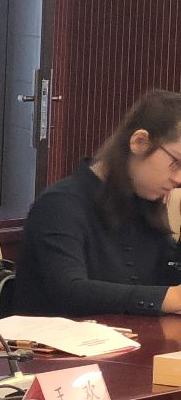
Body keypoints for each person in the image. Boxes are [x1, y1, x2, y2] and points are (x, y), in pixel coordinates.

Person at [17, 88, 181, 316]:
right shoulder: (59, 204)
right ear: (140, 142)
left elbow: (168, 278)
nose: (178, 179)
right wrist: (165, 298)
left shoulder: (147, 202)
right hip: (56, 336)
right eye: (176, 162)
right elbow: (69, 291)